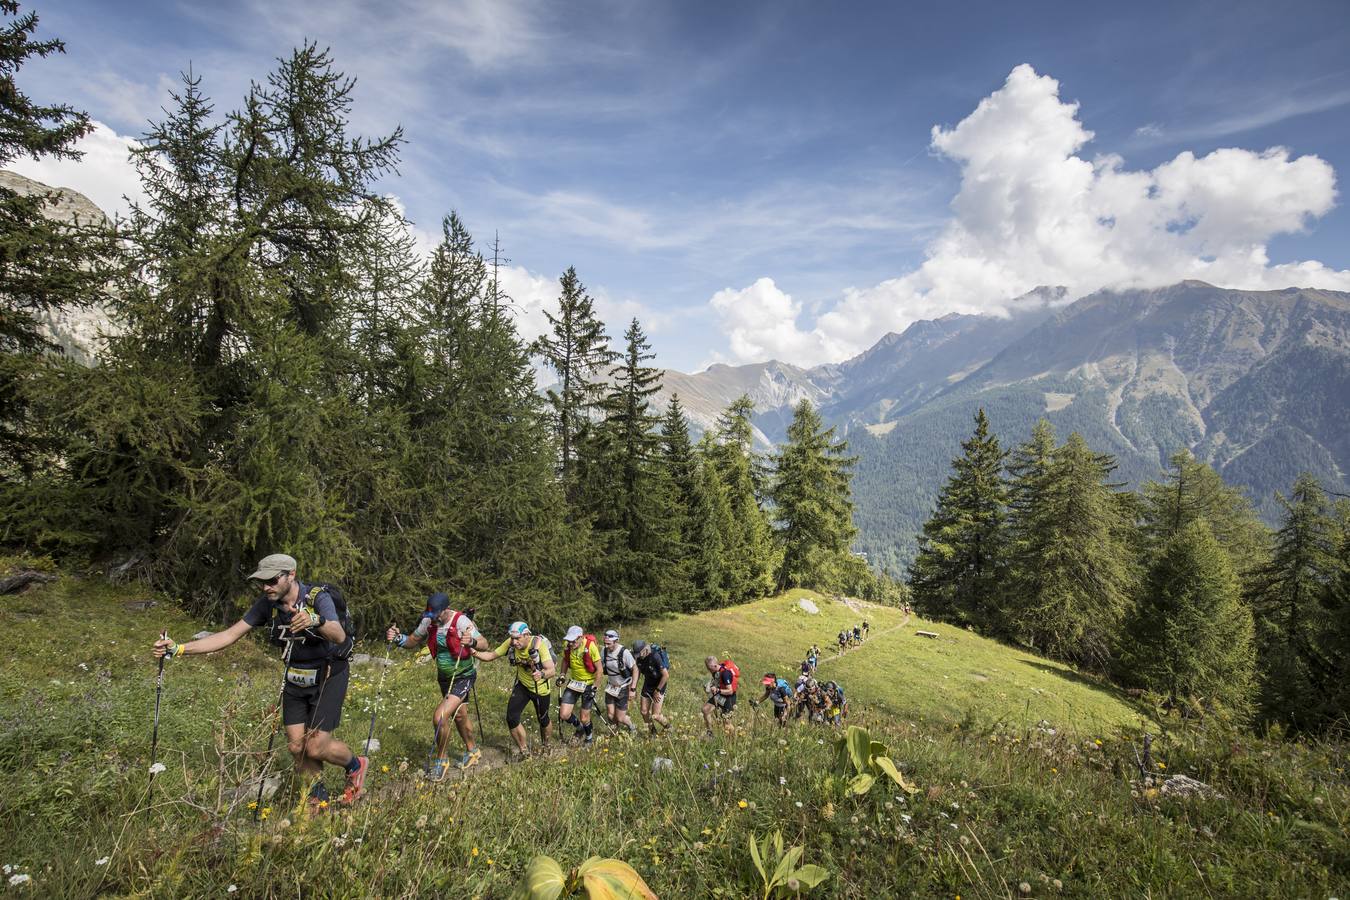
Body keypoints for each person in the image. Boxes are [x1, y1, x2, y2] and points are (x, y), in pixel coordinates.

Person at [152, 553, 366, 811]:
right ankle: (316, 797)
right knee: (297, 746)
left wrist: (315, 620)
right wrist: (179, 649)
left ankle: (355, 766)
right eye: (262, 582)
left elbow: (338, 633)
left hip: (329, 674)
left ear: (291, 575)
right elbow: (229, 635)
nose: (266, 587)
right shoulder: (268, 604)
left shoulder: (317, 597)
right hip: (295, 677)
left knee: (316, 746)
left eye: (273, 580)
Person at [387, 593, 488, 778]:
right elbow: (412, 641)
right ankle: (473, 751)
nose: (433, 619)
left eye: (437, 615)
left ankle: (441, 761)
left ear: (445, 610)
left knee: (440, 717)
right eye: (431, 615)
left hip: (463, 676)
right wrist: (396, 638)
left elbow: (484, 644)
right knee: (460, 716)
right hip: (444, 677)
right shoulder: (429, 622)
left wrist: (471, 641)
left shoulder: (461, 621)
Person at [474, 622, 556, 758]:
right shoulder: (511, 643)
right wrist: (474, 652)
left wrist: (541, 674)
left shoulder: (538, 645)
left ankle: (547, 745)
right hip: (523, 685)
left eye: (517, 638)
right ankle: (524, 751)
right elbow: (490, 656)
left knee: (543, 720)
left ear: (527, 635)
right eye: (512, 638)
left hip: (540, 689)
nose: (514, 641)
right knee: (511, 718)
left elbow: (551, 670)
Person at [558, 625, 601, 743]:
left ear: (581, 637)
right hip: (574, 683)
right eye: (569, 641)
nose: (571, 644)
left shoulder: (590, 646)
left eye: (573, 641)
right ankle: (579, 728)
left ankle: (589, 738)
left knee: (584, 717)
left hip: (588, 684)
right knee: (564, 714)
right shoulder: (567, 646)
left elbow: (600, 669)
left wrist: (595, 688)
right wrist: (562, 675)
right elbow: (566, 660)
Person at [600, 630, 638, 735]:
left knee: (620, 718)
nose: (606, 646)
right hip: (610, 687)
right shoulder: (604, 651)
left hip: (623, 687)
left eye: (609, 644)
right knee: (611, 715)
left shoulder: (624, 652)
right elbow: (599, 665)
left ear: (616, 641)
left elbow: (635, 669)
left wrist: (633, 688)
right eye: (605, 643)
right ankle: (615, 733)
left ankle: (631, 726)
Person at [631, 639, 670, 734]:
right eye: (636, 654)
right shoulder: (638, 656)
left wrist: (657, 690)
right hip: (648, 684)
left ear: (645, 650)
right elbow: (637, 670)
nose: (638, 656)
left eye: (639, 654)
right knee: (644, 712)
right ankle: (652, 732)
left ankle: (668, 727)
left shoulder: (655, 656)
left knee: (655, 715)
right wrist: (633, 688)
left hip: (659, 684)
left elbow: (666, 675)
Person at [701, 655, 739, 736]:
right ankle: (710, 734)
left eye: (710, 669)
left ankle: (735, 738)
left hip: (729, 698)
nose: (709, 671)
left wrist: (718, 690)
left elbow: (730, 691)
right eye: (708, 669)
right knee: (705, 710)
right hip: (720, 695)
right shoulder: (715, 671)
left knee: (727, 723)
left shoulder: (725, 674)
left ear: (715, 665)